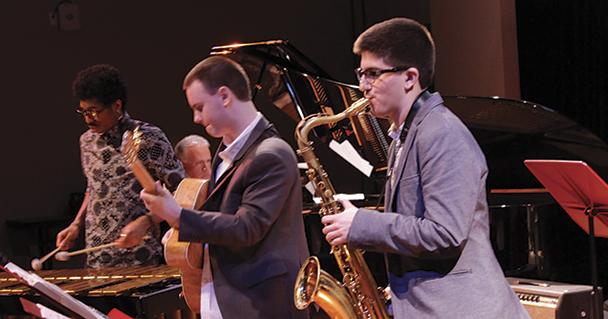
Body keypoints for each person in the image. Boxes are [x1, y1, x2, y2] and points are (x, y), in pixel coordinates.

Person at [321, 18, 529, 318]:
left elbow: (445, 233)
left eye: (372, 74)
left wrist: (362, 225)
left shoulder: (442, 133)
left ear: (409, 78)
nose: (363, 86)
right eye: (361, 73)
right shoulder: (404, 137)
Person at [140, 56, 309, 318]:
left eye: (199, 107)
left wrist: (177, 216)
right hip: (225, 300)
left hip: (260, 306)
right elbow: (221, 225)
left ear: (224, 96)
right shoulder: (226, 153)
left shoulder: (271, 154)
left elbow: (246, 228)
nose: (196, 118)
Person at [56, 64, 184, 268]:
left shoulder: (148, 138)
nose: (88, 118)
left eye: (94, 111)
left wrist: (147, 222)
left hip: (139, 256)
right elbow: (93, 187)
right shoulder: (86, 141)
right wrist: (76, 224)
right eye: (83, 111)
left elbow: (181, 191)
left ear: (117, 105)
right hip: (97, 257)